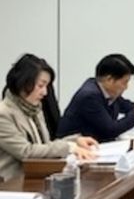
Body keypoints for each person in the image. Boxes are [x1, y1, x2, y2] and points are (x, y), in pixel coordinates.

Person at [0, 54, 97, 182]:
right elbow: (26, 152)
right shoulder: (4, 114)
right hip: (12, 184)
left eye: (47, 86)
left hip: (38, 178)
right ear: (23, 83)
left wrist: (75, 141)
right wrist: (69, 147)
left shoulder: (34, 108)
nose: (45, 92)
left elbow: (45, 146)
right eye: (40, 86)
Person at [57, 54, 134, 142]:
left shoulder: (105, 90)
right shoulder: (90, 96)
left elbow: (128, 106)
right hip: (72, 151)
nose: (126, 87)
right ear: (109, 79)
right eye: (124, 82)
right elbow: (111, 130)